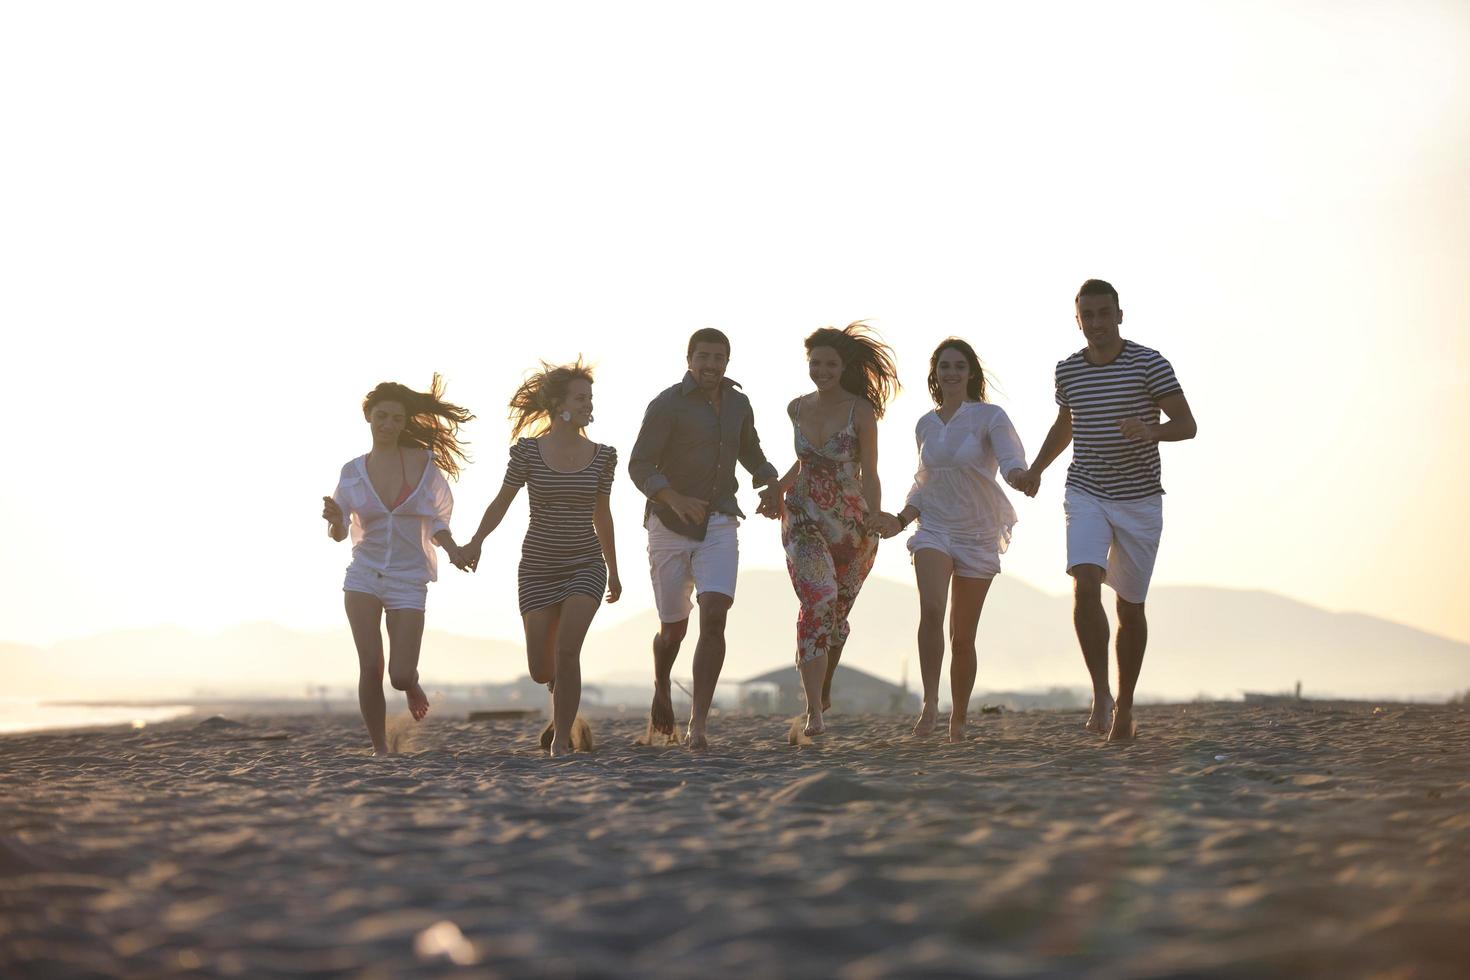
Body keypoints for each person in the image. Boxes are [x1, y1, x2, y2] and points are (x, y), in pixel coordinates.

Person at [1012, 279, 1197, 742]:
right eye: (1086, 315)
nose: (1095, 323)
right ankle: (1101, 693)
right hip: (1087, 490)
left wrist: (1150, 431)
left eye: (1103, 313)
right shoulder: (1068, 371)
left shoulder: (1149, 364)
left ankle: (1126, 706)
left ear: (1119, 315)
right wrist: (1035, 469)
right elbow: (1065, 424)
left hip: (1139, 499)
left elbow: (1187, 425)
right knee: (1085, 581)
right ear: (1078, 321)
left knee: (1130, 609)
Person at [627, 328, 781, 750]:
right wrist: (673, 498)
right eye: (705, 357)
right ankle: (661, 684)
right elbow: (638, 465)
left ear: (727, 362)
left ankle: (698, 724)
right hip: (668, 525)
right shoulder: (666, 404)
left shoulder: (738, 404)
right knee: (673, 629)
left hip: (719, 522)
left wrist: (769, 479)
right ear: (690, 358)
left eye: (720, 358)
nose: (712, 365)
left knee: (714, 615)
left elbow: (750, 451)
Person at [459, 359, 621, 756]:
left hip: (585, 564)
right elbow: (502, 502)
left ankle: (562, 740)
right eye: (580, 397)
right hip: (537, 568)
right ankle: (558, 692)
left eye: (590, 398)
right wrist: (476, 540)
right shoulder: (528, 452)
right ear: (558, 404)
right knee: (542, 669)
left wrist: (613, 570)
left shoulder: (603, 456)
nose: (588, 404)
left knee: (568, 651)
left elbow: (603, 514)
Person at [873, 338, 1029, 742]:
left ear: (971, 373)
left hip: (977, 532)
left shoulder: (990, 417)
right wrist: (902, 518)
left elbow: (1011, 460)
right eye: (945, 366)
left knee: (963, 637)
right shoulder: (925, 424)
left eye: (959, 366)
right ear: (935, 374)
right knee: (931, 609)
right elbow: (922, 483)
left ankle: (958, 718)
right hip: (935, 528)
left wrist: (1019, 477)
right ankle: (929, 703)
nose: (952, 373)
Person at [321, 375, 472, 756]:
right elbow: (339, 533)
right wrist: (334, 519)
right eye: (382, 417)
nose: (388, 425)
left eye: (396, 419)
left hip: (409, 577)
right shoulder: (352, 472)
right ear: (368, 417)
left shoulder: (422, 463)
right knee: (370, 667)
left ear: (405, 424)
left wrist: (453, 550)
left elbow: (438, 519)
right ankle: (380, 748)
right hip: (363, 575)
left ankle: (412, 683)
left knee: (400, 674)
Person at [773, 322, 899, 737]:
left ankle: (822, 688)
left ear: (843, 367)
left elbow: (871, 471)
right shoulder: (796, 407)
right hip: (804, 518)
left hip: (851, 524)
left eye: (830, 363)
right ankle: (814, 711)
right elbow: (805, 462)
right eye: (815, 363)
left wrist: (877, 516)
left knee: (836, 617)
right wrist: (777, 489)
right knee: (819, 599)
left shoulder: (860, 411)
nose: (822, 370)